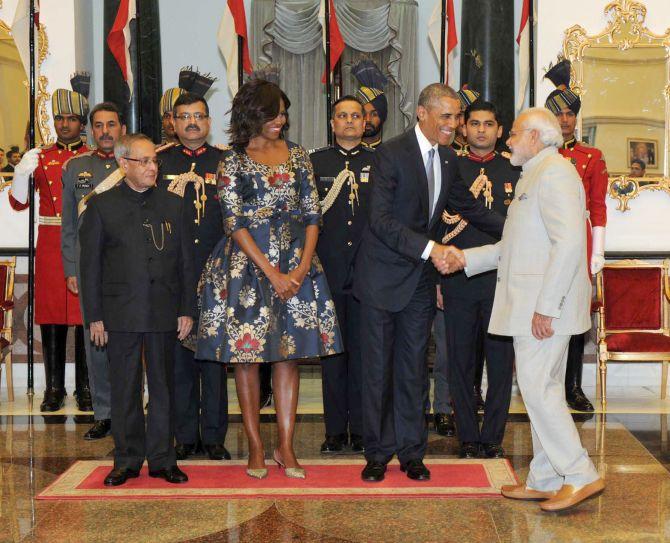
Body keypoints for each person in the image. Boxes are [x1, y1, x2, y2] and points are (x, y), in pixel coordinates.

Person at [444, 107, 605, 512]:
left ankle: (579, 472)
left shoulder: (555, 173)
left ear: (535, 136)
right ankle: (546, 477)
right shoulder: (535, 173)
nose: (508, 140)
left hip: (546, 307)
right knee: (539, 390)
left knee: (539, 389)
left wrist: (547, 308)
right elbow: (514, 247)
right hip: (535, 305)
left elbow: (569, 245)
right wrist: (466, 259)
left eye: (514, 134)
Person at [353, 83, 505, 483]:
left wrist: (517, 230)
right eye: (447, 117)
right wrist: (432, 248)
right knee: (378, 371)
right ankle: (376, 453)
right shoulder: (390, 153)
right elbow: (381, 221)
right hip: (382, 280)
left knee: (413, 369)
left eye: (457, 118)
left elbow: (469, 208)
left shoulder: (450, 160)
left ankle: (411, 452)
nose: (454, 125)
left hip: (419, 283)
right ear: (422, 113)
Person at [195, 79, 343, 480]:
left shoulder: (298, 156)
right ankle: (256, 448)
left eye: (283, 113)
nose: (281, 120)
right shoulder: (234, 160)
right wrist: (272, 272)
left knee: (288, 357)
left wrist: (300, 267)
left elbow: (314, 213)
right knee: (246, 361)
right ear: (252, 115)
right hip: (247, 269)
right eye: (273, 113)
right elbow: (234, 222)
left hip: (297, 266)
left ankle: (286, 446)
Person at [79, 133, 195, 486]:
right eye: (143, 161)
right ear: (123, 163)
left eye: (154, 161)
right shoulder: (101, 206)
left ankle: (162, 459)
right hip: (119, 313)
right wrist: (95, 316)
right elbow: (91, 267)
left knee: (163, 387)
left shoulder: (173, 205)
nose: (151, 167)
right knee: (125, 387)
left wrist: (187, 309)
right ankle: (127, 460)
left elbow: (186, 264)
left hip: (163, 310)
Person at [440, 100, 519, 459]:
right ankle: (468, 436)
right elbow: (436, 225)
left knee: (500, 362)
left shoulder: (515, 170)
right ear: (463, 129)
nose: (481, 130)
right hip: (457, 279)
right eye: (474, 123)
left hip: (503, 280)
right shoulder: (449, 168)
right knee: (460, 361)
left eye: (489, 124)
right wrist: (437, 280)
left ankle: (493, 437)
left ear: (500, 130)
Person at [9, 77, 92, 412]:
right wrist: (19, 174)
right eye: (59, 119)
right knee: (53, 316)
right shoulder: (40, 156)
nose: (64, 124)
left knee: (87, 315)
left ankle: (86, 387)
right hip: (50, 242)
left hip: (85, 241)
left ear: (81, 123)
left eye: (71, 119)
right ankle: (55, 388)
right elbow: (18, 204)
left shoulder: (92, 156)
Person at [158, 88, 231, 462]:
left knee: (214, 359)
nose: (192, 122)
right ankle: (185, 435)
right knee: (180, 359)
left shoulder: (225, 162)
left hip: (217, 273)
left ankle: (215, 436)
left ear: (208, 120)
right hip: (173, 276)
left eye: (199, 116)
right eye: (184, 116)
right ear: (173, 122)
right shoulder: (160, 162)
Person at [310, 95, 373, 455]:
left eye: (355, 116)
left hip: (367, 275)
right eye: (342, 116)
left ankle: (362, 429)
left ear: (365, 123)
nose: (349, 122)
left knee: (364, 354)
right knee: (332, 354)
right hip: (326, 274)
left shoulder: (379, 163)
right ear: (332, 124)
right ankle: (335, 431)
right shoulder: (315, 162)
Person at [545, 59, 608, 412]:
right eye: (559, 113)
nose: (565, 119)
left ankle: (573, 387)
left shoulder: (591, 156)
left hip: (579, 244)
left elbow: (598, 208)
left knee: (575, 320)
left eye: (570, 113)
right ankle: (546, 384)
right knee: (545, 315)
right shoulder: (539, 155)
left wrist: (596, 254)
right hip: (544, 243)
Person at [61, 102, 127, 439]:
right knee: (96, 342)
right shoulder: (76, 167)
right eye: (98, 125)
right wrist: (71, 267)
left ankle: (131, 410)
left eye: (111, 125)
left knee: (131, 340)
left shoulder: (134, 164)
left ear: (122, 129)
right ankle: (105, 413)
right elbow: (69, 224)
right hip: (90, 269)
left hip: (128, 269)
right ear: (90, 130)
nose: (105, 132)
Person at [353, 60, 388, 150]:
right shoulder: (346, 156)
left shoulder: (391, 155)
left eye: (374, 114)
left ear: (383, 117)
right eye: (363, 114)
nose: (368, 119)